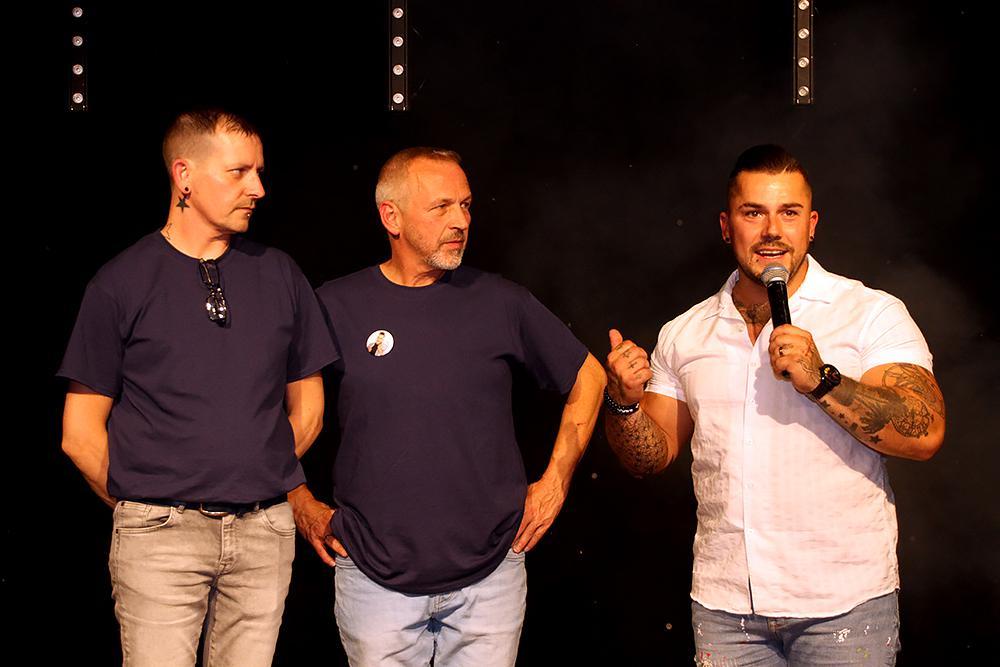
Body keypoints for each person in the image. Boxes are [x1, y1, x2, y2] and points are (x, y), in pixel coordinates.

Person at [604, 145, 945, 666]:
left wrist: (822, 381)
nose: (771, 231)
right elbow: (649, 458)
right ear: (726, 226)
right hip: (726, 611)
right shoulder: (685, 332)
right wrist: (624, 404)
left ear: (812, 224)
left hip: (844, 604)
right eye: (752, 213)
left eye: (788, 213)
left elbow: (925, 434)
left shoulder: (869, 313)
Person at [290, 147, 606, 666]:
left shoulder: (500, 301)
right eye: (441, 207)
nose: (460, 220)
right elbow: (265, 406)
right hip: (373, 579)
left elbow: (589, 377)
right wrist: (298, 500)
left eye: (466, 205)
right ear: (391, 216)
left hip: (490, 577)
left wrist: (555, 483)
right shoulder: (334, 305)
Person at [57, 109, 338, 666]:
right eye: (238, 172)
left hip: (263, 532)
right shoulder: (121, 282)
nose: (257, 188)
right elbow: (79, 434)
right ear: (184, 176)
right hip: (159, 538)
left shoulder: (280, 273)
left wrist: (253, 475)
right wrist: (149, 506)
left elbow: (308, 408)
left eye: (258, 172)